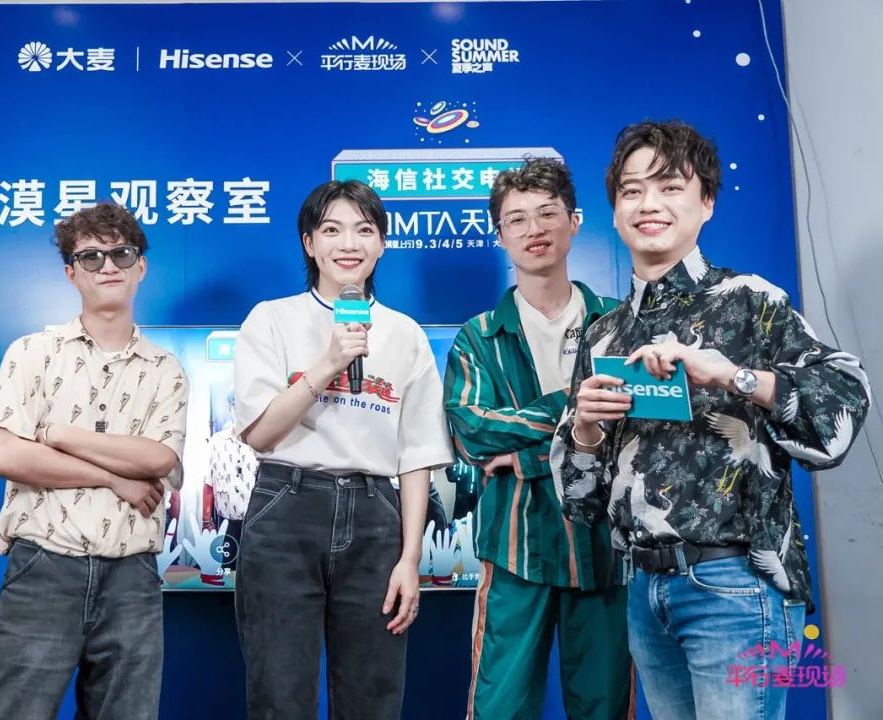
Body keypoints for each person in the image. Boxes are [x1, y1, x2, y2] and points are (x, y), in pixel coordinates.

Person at [553, 120, 871, 720]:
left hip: (735, 584)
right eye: (631, 190)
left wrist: (732, 376)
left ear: (707, 203)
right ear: (615, 213)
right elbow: (580, 503)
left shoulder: (750, 300)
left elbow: (842, 407)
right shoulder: (604, 334)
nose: (649, 204)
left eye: (670, 187)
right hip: (644, 591)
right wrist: (586, 430)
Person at [232, 179, 454, 719]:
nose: (349, 243)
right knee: (280, 696)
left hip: (376, 515)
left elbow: (417, 457)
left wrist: (409, 559)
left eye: (364, 230)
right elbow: (260, 434)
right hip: (285, 508)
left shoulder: (404, 334)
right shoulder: (272, 319)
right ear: (310, 244)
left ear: (382, 244)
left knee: (372, 698)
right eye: (331, 230)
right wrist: (330, 363)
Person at [0, 202, 189, 720]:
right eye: (91, 257)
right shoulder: (33, 352)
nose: (108, 266)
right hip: (45, 565)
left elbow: (158, 457)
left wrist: (57, 435)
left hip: (132, 577)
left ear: (141, 266)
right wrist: (115, 478)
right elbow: (1, 454)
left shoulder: (166, 370)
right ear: (71, 273)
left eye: (121, 254)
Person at [444, 158, 633, 719]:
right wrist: (576, 406)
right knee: (499, 708)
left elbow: (632, 429)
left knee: (605, 707)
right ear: (499, 234)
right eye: (517, 219)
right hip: (514, 548)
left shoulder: (620, 324)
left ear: (575, 222)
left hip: (603, 548)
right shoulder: (479, 336)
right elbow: (473, 433)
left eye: (548, 213)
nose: (535, 229)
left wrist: (525, 457)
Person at [202, 388, 259, 570]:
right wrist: (206, 520)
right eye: (236, 405)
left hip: (258, 522)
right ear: (230, 408)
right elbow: (208, 483)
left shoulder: (261, 440)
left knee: (255, 572)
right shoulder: (217, 442)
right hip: (227, 523)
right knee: (228, 572)